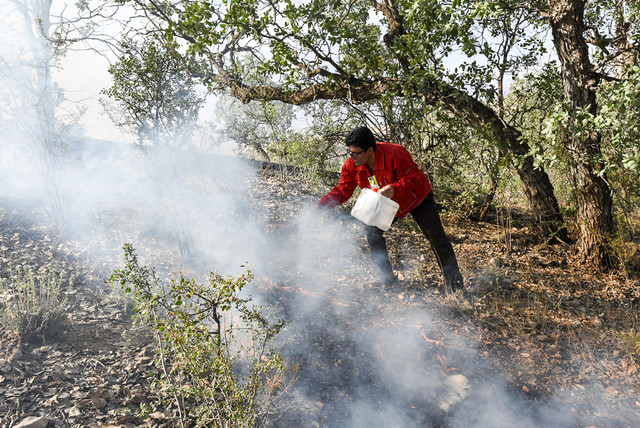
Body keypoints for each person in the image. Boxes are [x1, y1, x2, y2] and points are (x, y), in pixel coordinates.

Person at [318, 126, 464, 291]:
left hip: (417, 198)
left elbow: (415, 179)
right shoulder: (352, 165)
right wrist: (319, 207)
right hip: (388, 203)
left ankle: (455, 286)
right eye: (350, 153)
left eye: (356, 153)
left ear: (370, 150)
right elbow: (342, 190)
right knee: (372, 231)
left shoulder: (396, 153)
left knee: (437, 238)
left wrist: (395, 188)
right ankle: (386, 278)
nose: (352, 157)